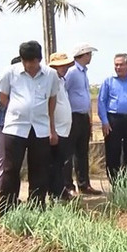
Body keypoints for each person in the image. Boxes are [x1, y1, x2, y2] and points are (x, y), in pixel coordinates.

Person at [0, 41, 60, 216]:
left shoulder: (50, 75)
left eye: (33, 61)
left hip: (40, 129)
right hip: (14, 128)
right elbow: (2, 96)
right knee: (10, 169)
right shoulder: (10, 72)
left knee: (39, 169)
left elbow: (52, 100)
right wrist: (18, 110)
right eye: (26, 61)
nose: (30, 65)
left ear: (39, 59)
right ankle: (7, 209)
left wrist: (52, 129)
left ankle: (37, 208)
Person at [99, 53, 127, 183]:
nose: (118, 67)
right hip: (113, 120)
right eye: (116, 65)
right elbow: (102, 102)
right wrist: (105, 122)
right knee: (113, 151)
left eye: (121, 64)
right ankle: (114, 181)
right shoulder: (108, 81)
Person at [63, 43, 102, 196]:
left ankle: (84, 184)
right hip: (72, 116)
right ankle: (68, 186)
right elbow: (63, 91)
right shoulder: (72, 72)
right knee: (69, 152)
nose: (90, 57)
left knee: (82, 152)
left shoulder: (83, 72)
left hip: (83, 116)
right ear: (83, 55)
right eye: (88, 54)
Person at [47, 53, 76, 200]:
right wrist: (52, 130)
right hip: (56, 130)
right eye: (61, 65)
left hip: (64, 130)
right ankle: (55, 194)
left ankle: (60, 191)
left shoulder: (61, 81)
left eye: (65, 65)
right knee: (55, 164)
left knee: (60, 163)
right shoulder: (50, 81)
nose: (64, 68)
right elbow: (49, 107)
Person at [0, 57, 21, 197]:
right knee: (3, 163)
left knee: (10, 164)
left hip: (12, 130)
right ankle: (3, 194)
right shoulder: (5, 88)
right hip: (1, 129)